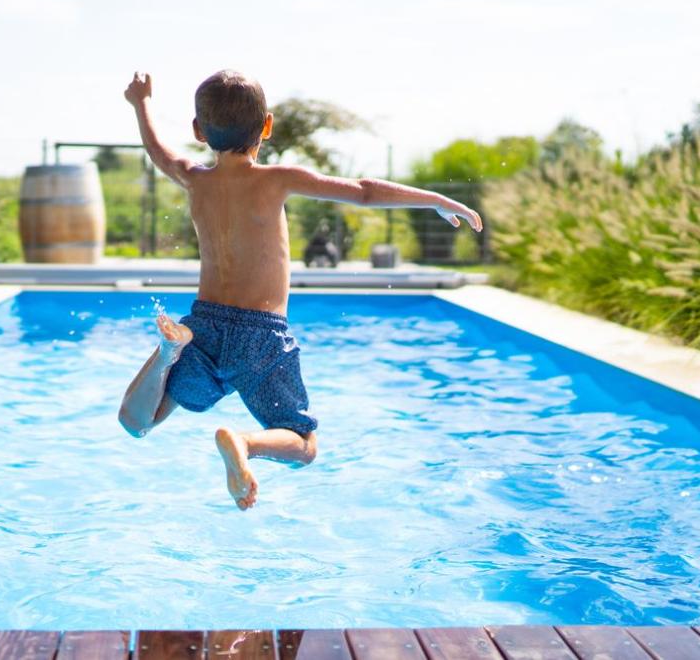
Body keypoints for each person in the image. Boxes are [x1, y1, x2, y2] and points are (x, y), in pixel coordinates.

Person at [116, 70, 483, 510]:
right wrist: (436, 199)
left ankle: (166, 354)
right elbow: (364, 192)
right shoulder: (277, 180)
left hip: (204, 326)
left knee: (138, 422)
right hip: (260, 335)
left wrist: (141, 104)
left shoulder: (195, 179)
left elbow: (158, 152)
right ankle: (244, 443)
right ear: (266, 127)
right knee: (305, 445)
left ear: (198, 131)